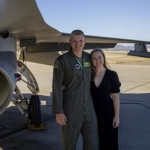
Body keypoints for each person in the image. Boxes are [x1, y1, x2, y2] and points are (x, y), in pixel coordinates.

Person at [52, 30, 99, 150]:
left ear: (85, 42)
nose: (78, 44)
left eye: (80, 41)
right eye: (74, 41)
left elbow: (99, 74)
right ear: (70, 42)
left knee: (92, 144)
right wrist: (59, 112)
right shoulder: (62, 61)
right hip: (71, 110)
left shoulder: (89, 58)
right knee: (69, 145)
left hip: (89, 109)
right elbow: (56, 86)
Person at [90, 48, 121, 150]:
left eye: (99, 57)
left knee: (109, 141)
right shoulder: (89, 76)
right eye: (94, 58)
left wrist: (116, 116)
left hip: (108, 112)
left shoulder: (112, 75)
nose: (97, 60)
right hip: (93, 112)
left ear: (104, 58)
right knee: (94, 141)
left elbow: (115, 97)